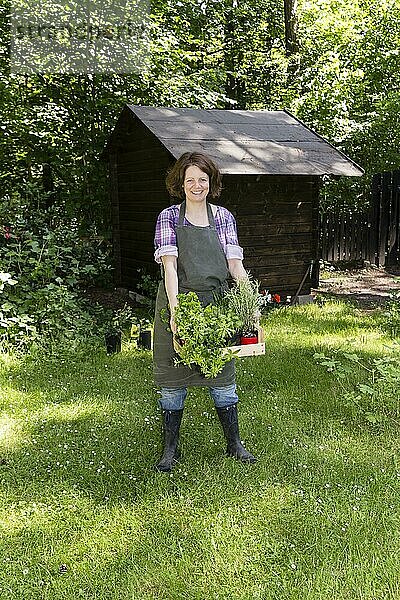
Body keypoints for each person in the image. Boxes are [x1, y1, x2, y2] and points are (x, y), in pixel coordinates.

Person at [153, 152, 256, 472]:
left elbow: (235, 267)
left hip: (216, 307)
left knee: (223, 379)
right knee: (172, 380)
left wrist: (251, 308)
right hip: (179, 301)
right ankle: (171, 449)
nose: (196, 185)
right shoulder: (168, 217)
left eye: (202, 179)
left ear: (211, 183)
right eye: (190, 180)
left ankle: (234, 444)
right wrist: (176, 313)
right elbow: (170, 268)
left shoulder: (224, 217)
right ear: (179, 185)